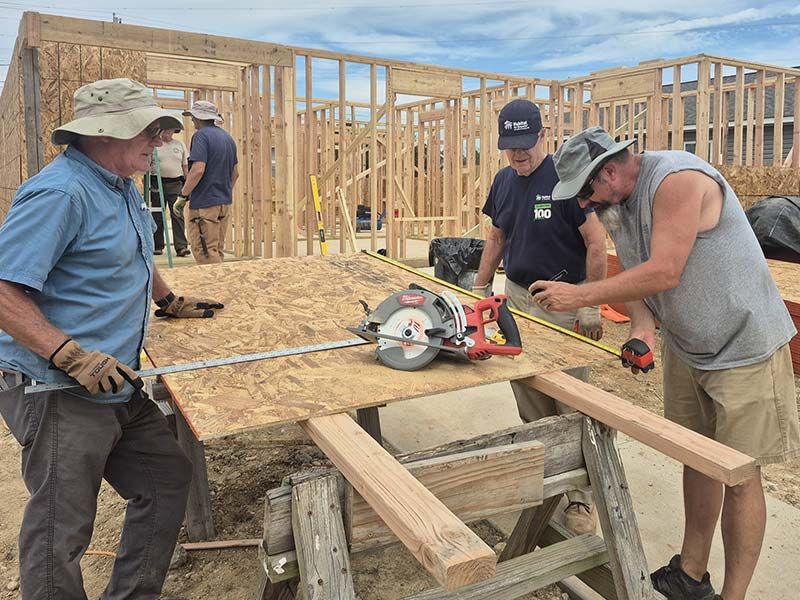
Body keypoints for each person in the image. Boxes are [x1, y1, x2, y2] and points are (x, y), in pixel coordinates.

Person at [531, 126, 800, 600]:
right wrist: (641, 328)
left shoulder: (678, 179)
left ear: (609, 171)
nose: (586, 205)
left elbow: (665, 270)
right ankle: (690, 574)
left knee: (739, 475)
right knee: (697, 459)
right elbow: (637, 275)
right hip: (689, 347)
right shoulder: (615, 203)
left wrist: (580, 294)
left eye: (587, 192)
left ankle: (733, 597)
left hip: (745, 348)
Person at [0, 78, 227, 600]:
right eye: (148, 131)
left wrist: (166, 299)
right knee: (61, 527)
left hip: (114, 379)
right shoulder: (60, 193)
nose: (161, 141)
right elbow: (5, 291)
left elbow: (129, 257)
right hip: (57, 386)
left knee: (166, 478)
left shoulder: (121, 183)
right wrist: (70, 355)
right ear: (103, 134)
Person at [471, 99, 608, 535]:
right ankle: (548, 481)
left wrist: (588, 302)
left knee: (571, 401)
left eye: (526, 145)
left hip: (562, 305)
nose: (519, 155)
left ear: (543, 136)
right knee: (530, 400)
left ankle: (581, 501)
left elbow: (595, 244)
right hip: (516, 302)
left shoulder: (567, 180)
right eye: (510, 147)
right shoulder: (504, 182)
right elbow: (496, 236)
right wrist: (479, 288)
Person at [180, 100, 239, 264]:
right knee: (217, 250)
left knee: (205, 253)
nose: (192, 120)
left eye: (193, 117)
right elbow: (235, 174)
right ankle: (221, 286)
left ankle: (216, 290)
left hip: (204, 204)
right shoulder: (228, 138)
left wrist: (184, 195)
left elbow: (198, 169)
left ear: (199, 118)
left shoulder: (201, 136)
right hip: (223, 204)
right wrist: (223, 192)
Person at [149, 127, 190, 257]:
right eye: (165, 131)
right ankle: (157, 245)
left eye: (170, 131)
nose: (167, 133)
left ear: (174, 132)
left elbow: (185, 166)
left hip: (176, 183)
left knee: (177, 213)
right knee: (157, 214)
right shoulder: (156, 145)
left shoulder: (179, 145)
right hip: (157, 182)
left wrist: (188, 184)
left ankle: (181, 247)